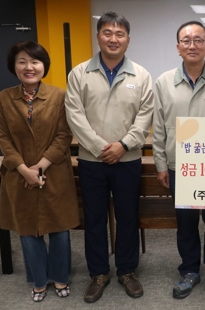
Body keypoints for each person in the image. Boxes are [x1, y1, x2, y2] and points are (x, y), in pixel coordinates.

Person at [65, 12, 153, 302]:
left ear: (128, 39)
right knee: (94, 219)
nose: (113, 38)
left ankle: (127, 271)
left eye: (119, 34)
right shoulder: (79, 73)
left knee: (128, 217)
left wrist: (123, 145)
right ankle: (98, 273)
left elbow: (145, 116)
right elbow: (74, 115)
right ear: (98, 36)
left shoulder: (141, 75)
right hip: (92, 161)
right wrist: (102, 147)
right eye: (107, 32)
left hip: (128, 161)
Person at [152, 21, 205, 303]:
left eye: (199, 40)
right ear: (178, 47)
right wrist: (161, 165)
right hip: (181, 167)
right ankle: (189, 271)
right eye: (186, 40)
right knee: (186, 224)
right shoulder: (164, 82)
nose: (192, 45)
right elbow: (158, 127)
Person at [0, 41, 79, 302]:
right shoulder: (4, 98)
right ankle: (39, 281)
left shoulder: (59, 96)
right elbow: (3, 138)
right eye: (22, 61)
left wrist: (39, 167)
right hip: (18, 175)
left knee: (59, 228)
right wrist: (24, 170)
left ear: (44, 66)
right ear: (14, 66)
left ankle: (61, 276)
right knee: (27, 229)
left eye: (35, 62)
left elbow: (64, 135)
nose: (29, 67)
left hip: (53, 171)